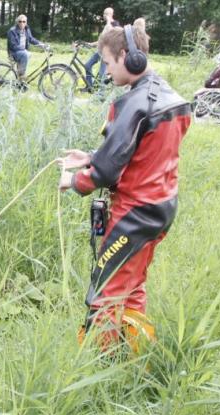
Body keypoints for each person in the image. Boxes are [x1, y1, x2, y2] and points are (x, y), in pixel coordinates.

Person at [59, 25, 192, 353]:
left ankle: (97, 364)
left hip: (133, 215)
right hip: (161, 209)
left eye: (107, 62)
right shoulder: (171, 98)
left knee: (103, 292)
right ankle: (137, 357)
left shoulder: (132, 104)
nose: (105, 70)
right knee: (132, 287)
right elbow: (142, 154)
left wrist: (74, 181)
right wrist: (89, 156)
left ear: (128, 57)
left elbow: (104, 172)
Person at [83, 8, 121, 90]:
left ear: (110, 14)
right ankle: (89, 86)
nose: (103, 15)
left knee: (102, 73)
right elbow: (102, 39)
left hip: (107, 53)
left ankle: (101, 95)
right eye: (104, 14)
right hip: (100, 51)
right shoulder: (107, 25)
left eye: (105, 14)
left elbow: (111, 34)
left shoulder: (115, 24)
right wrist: (91, 44)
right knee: (87, 65)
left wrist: (108, 21)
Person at [7, 14, 46, 82]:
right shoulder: (12, 31)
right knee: (25, 54)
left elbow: (31, 39)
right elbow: (13, 46)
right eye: (20, 21)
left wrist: (41, 44)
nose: (22, 23)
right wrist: (23, 49)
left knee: (27, 54)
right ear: (17, 22)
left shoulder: (27, 29)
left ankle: (19, 77)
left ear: (26, 22)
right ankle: (22, 76)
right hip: (13, 52)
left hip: (22, 52)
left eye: (24, 21)